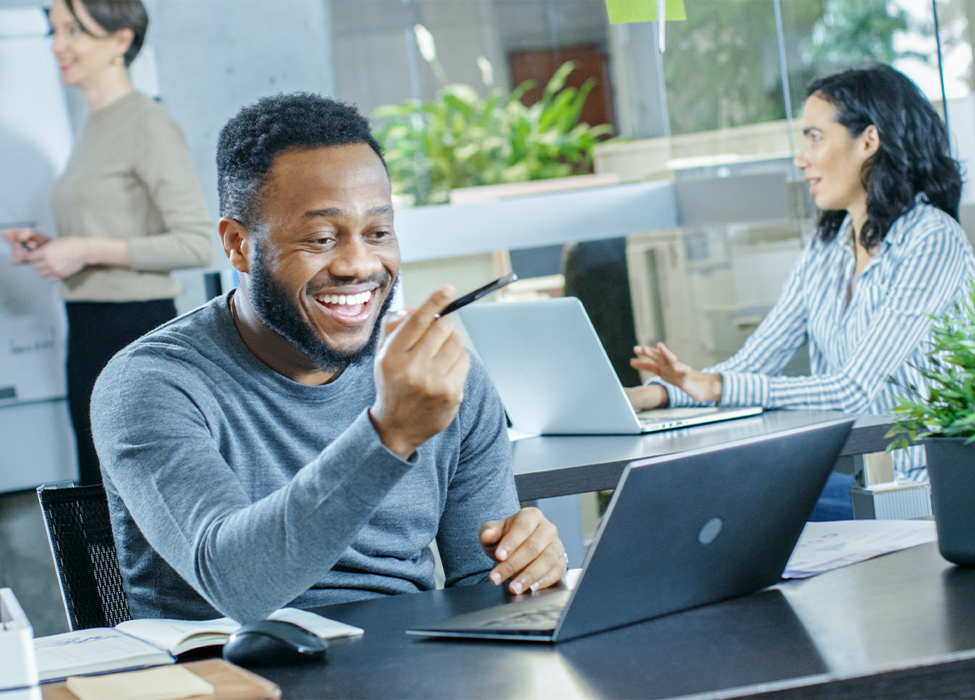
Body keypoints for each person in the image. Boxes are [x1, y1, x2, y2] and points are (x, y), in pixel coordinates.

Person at [89, 93, 568, 623]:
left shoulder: (444, 380)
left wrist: (527, 563)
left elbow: (484, 584)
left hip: (413, 664)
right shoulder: (150, 384)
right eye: (321, 238)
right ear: (238, 245)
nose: (359, 264)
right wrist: (388, 435)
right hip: (235, 674)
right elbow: (236, 586)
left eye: (378, 233)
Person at [625, 64, 975, 495]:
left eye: (815, 137)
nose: (800, 159)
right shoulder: (827, 248)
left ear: (869, 140)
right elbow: (753, 364)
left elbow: (854, 392)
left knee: (723, 493)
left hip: (917, 488)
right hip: (847, 473)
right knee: (696, 486)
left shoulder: (933, 239)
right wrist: (658, 395)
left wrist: (713, 387)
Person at [1, 0, 212, 486]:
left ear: (120, 40)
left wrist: (83, 250)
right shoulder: (96, 123)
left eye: (75, 30)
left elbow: (195, 243)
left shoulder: (146, 122)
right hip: (90, 327)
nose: (59, 45)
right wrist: (55, 245)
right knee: (102, 496)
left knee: (130, 499)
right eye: (53, 31)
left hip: (131, 331)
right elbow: (112, 228)